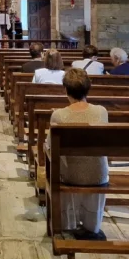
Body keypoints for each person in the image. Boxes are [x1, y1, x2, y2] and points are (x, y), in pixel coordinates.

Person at [44, 68, 108, 240]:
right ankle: (92, 225)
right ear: (88, 88)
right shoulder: (101, 111)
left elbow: (50, 146)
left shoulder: (59, 115)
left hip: (71, 176)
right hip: (98, 175)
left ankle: (68, 222)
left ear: (65, 90)